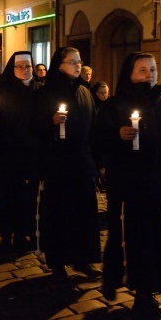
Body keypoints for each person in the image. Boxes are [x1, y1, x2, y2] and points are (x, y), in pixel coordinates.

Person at [92, 52, 161, 320]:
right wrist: (117, 136)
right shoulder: (114, 106)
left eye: (152, 69)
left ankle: (144, 292)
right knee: (126, 237)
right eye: (142, 70)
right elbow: (96, 140)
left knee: (154, 240)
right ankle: (115, 277)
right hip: (126, 187)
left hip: (157, 187)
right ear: (130, 74)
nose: (149, 74)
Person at [33, 47, 101, 280]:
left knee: (84, 214)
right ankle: (58, 263)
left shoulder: (84, 92)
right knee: (59, 215)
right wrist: (50, 122)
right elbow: (34, 128)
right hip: (58, 164)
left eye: (79, 61)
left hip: (82, 163)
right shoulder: (46, 93)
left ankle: (83, 259)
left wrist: (96, 162)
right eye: (72, 61)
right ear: (59, 65)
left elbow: (94, 129)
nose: (78, 65)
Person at [0, 52, 42, 248]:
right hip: (10, 152)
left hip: (33, 152)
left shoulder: (41, 90)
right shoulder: (3, 90)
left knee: (31, 195)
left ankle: (28, 232)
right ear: (13, 68)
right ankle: (7, 232)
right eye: (20, 66)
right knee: (9, 194)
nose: (24, 70)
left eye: (28, 66)